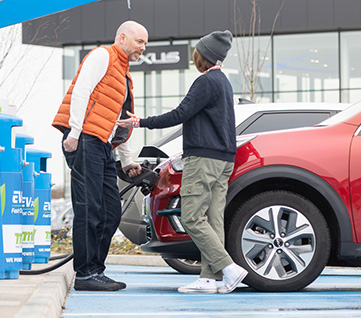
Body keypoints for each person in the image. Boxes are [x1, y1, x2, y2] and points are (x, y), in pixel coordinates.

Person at [117, 30, 248, 294]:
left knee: (190, 217)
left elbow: (180, 113)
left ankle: (229, 268)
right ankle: (209, 279)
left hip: (203, 160)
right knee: (212, 221)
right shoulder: (224, 82)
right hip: (224, 160)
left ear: (204, 55)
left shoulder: (206, 81)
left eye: (197, 52)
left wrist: (140, 122)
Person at [51, 20, 146, 292]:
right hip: (84, 139)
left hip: (103, 145)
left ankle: (96, 270)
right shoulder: (102, 55)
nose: (143, 47)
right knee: (89, 207)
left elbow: (120, 120)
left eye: (145, 43)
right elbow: (81, 91)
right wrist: (74, 132)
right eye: (140, 41)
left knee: (110, 211)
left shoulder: (124, 75)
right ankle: (85, 272)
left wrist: (127, 160)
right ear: (123, 37)